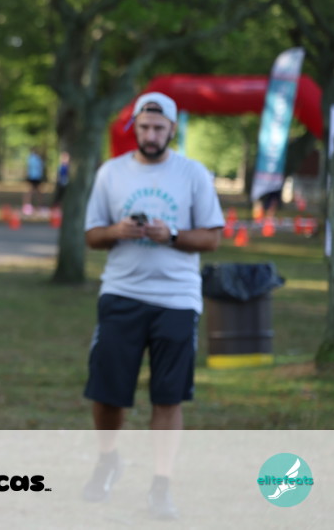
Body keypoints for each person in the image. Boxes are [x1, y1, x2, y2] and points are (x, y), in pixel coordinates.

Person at [81, 92, 224, 520]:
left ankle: (161, 485)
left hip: (177, 300)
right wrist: (117, 231)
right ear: (135, 128)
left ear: (172, 129)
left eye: (159, 128)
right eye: (143, 127)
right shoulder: (111, 172)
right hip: (121, 294)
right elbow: (92, 236)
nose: (150, 135)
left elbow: (212, 238)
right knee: (107, 394)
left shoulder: (193, 174)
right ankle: (108, 461)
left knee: (168, 396)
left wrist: (171, 235)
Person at [23, 146, 45, 214]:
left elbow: (28, 167)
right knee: (34, 191)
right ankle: (29, 205)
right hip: (35, 177)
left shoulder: (32, 158)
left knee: (33, 191)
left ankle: (30, 205)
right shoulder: (36, 159)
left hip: (34, 177)